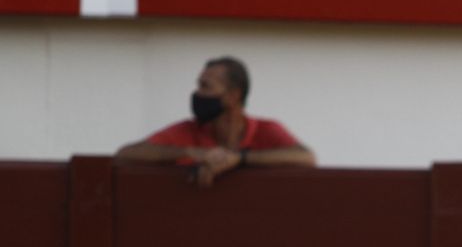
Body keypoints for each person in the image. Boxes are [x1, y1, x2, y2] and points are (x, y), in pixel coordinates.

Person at [114, 57, 315, 188]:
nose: (197, 94)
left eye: (205, 86)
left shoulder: (266, 129)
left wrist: (238, 159)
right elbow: (125, 155)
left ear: (233, 96)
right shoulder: (189, 130)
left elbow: (306, 157)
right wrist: (191, 153)